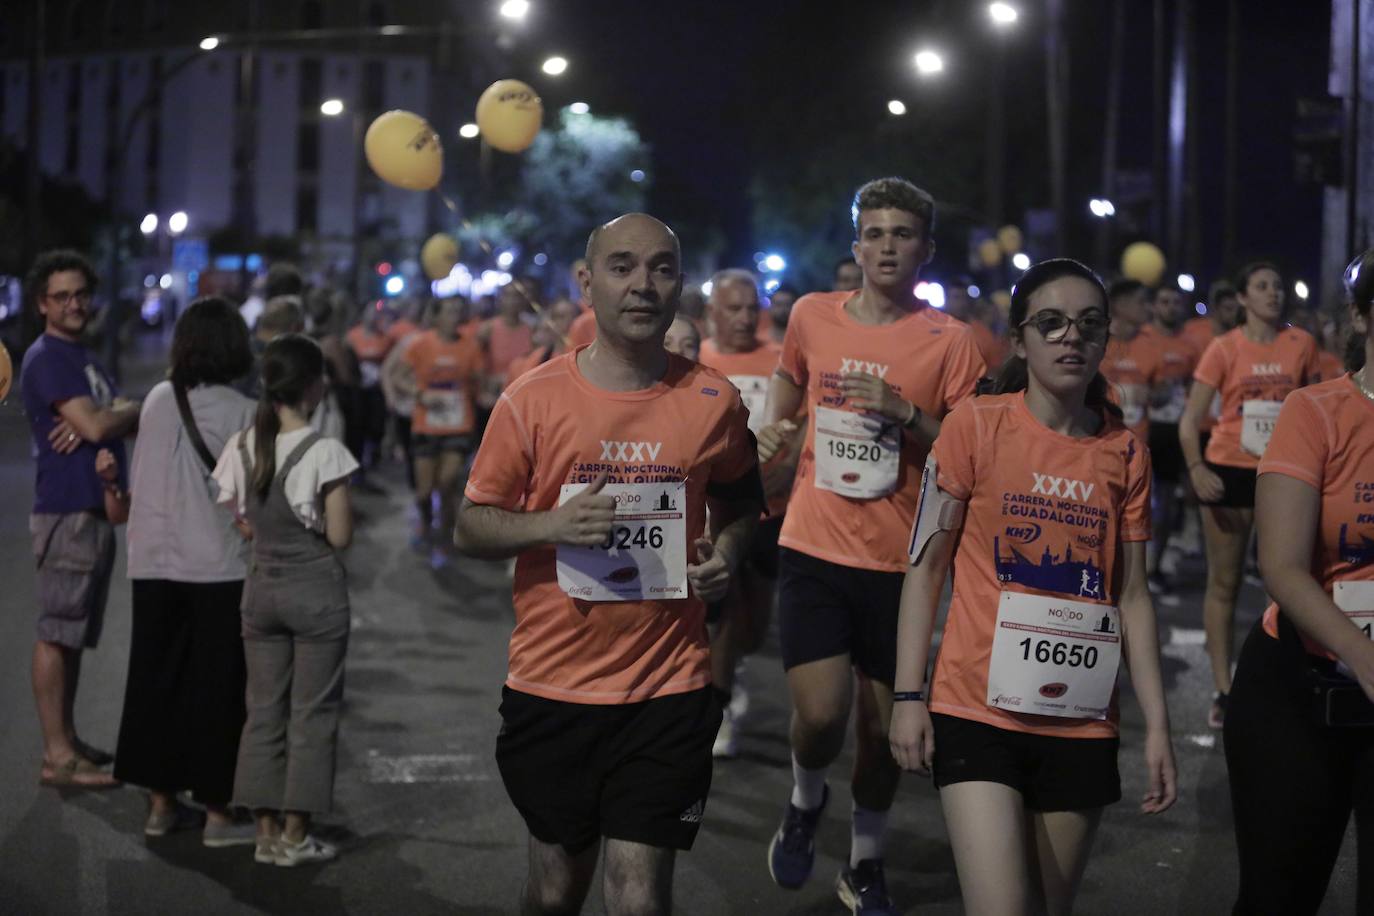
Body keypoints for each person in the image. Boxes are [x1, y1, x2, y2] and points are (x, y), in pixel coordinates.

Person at [454, 213, 764, 916]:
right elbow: (470, 526)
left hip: (670, 687)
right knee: (555, 890)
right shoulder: (532, 398)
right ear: (587, 283)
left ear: (679, 285)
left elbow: (742, 503)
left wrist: (726, 553)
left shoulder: (714, 400)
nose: (642, 285)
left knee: (638, 897)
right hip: (553, 687)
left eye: (661, 268)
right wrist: (551, 524)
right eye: (622, 267)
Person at [889, 257, 1177, 915]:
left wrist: (1158, 727)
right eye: (1050, 323)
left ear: (1104, 341)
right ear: (1020, 339)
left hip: (1081, 719)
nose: (1071, 336)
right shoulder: (974, 425)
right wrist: (908, 694)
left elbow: (1132, 596)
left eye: (1088, 324)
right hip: (976, 711)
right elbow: (924, 568)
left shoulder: (1127, 453)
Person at [756, 177, 985, 913]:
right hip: (814, 545)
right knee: (822, 716)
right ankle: (805, 798)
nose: (888, 247)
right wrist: (772, 431)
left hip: (901, 565)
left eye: (903, 235)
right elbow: (787, 385)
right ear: (857, 246)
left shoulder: (951, 341)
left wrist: (906, 412)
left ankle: (864, 861)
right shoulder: (811, 315)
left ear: (926, 250)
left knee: (884, 731)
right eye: (876, 234)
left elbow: (975, 450)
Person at [1223, 248, 1374, 915]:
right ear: (1361, 316)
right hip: (1301, 689)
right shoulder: (1316, 411)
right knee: (1278, 898)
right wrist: (1364, 656)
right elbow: (1281, 566)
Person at [111, 297, 258, 843]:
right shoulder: (244, 412)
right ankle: (218, 811)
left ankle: (160, 804)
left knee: (156, 679)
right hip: (217, 565)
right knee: (217, 686)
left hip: (152, 559)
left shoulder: (156, 399)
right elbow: (247, 499)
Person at [212, 333, 359, 867]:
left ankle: (265, 833)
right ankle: (297, 836)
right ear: (314, 387)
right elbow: (340, 536)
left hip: (261, 590)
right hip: (315, 592)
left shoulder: (242, 444)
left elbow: (240, 518)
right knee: (312, 714)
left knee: (262, 711)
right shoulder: (325, 451)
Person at [1179, 261, 1324, 729]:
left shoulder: (1301, 344)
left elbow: (1318, 408)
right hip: (1229, 472)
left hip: (1283, 472)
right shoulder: (1224, 348)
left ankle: (1273, 681)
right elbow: (1190, 421)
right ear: (1242, 298)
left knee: (1284, 583)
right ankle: (1224, 689)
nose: (1273, 293)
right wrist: (1197, 469)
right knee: (1225, 584)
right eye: (1262, 286)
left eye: (1277, 285)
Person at [21, 249, 139, 789]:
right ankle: (58, 756)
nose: (74, 304)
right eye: (61, 296)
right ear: (42, 304)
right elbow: (96, 426)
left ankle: (67, 740)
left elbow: (107, 418)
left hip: (91, 507)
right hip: (67, 510)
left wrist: (114, 414)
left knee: (72, 636)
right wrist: (120, 413)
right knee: (56, 633)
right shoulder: (49, 358)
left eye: (81, 294)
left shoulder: (81, 357)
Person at [697, 269, 786, 758]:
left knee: (753, 629)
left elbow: (800, 423)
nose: (745, 317)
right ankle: (720, 702)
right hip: (715, 511)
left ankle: (735, 668)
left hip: (771, 510)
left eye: (753, 308)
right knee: (724, 612)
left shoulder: (779, 360)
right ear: (712, 312)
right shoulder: (697, 359)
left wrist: (782, 468)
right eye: (734, 308)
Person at [388, 297, 489, 565]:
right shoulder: (420, 344)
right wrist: (420, 394)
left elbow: (480, 381)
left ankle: (445, 537)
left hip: (459, 425)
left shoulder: (471, 345)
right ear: (436, 316)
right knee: (424, 491)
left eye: (458, 311)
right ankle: (425, 521)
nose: (455, 316)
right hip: (426, 423)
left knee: (447, 483)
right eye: (449, 312)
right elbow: (398, 377)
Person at [1142, 282, 1202, 605]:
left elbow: (1195, 385)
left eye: (1175, 302)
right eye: (1164, 301)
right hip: (1139, 428)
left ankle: (1153, 568)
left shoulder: (1189, 346)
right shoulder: (1140, 339)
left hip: (1171, 430)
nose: (1170, 307)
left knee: (1164, 501)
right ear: (1153, 306)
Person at [344, 301, 395, 473]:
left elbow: (390, 362)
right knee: (358, 425)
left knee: (377, 425)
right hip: (358, 389)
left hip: (376, 389)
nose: (374, 316)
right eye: (371, 312)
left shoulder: (385, 338)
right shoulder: (353, 336)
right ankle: (357, 463)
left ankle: (373, 455)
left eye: (377, 313)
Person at [504, 296, 580, 386]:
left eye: (573, 317)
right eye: (560, 317)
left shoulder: (583, 357)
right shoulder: (539, 357)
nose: (568, 321)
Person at [479, 281, 536, 386]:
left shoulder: (531, 330)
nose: (512, 301)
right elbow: (477, 365)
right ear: (500, 299)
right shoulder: (488, 329)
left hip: (521, 387)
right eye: (508, 296)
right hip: (494, 390)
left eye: (517, 297)